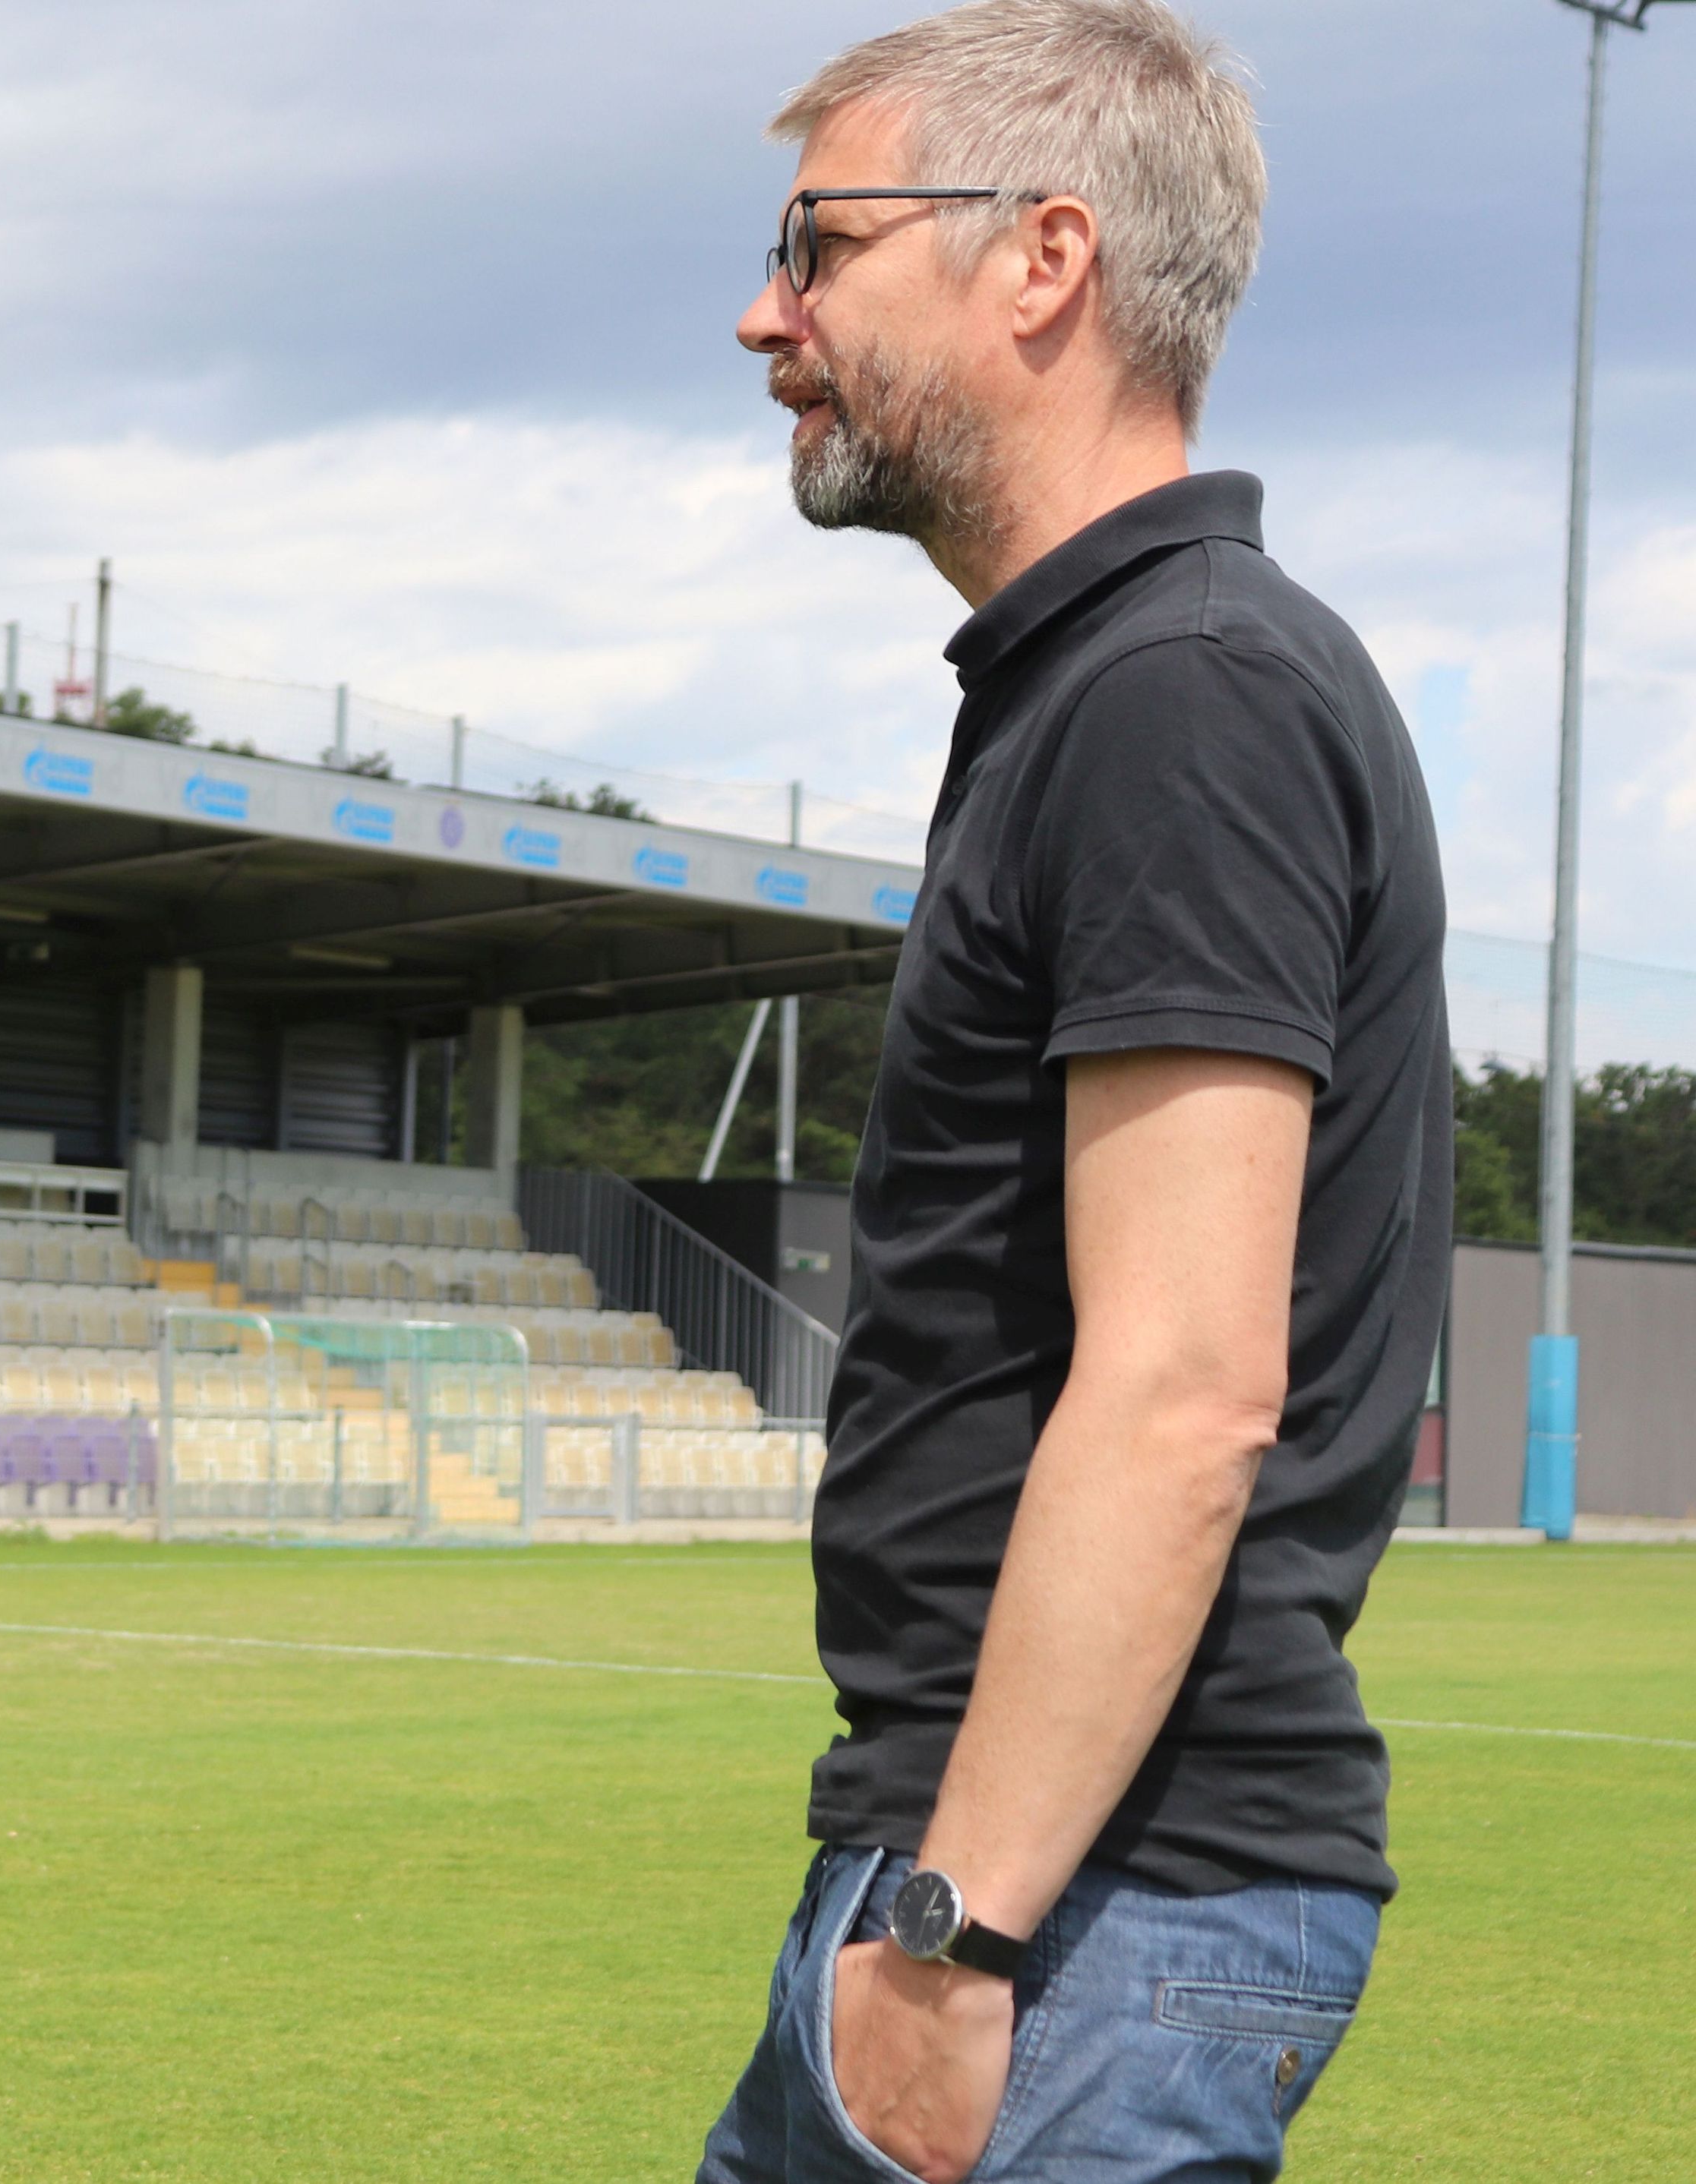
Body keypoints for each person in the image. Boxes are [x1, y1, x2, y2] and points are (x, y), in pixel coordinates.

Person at [703, 5, 1448, 2180]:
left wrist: (949, 1933)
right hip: (1014, 1887)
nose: (768, 312)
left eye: (820, 243)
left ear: (1041, 260)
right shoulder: (1098, 682)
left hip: (1074, 1921)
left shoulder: (1180, 696)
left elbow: (1186, 1381)